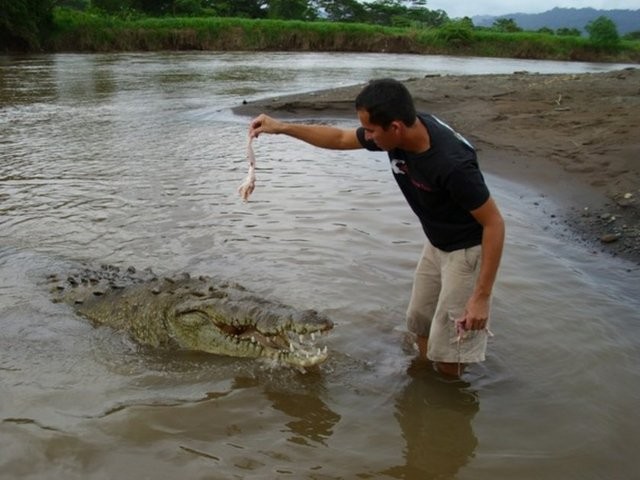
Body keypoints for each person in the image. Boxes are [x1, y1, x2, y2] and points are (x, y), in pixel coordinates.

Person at [249, 78, 504, 377]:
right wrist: (282, 127)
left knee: (451, 346)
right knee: (419, 322)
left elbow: (494, 224)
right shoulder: (401, 133)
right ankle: (422, 380)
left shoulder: (452, 165)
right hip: (437, 242)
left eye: (370, 130)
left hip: (467, 250)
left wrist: (481, 297)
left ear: (395, 127)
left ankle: (448, 392)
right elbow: (341, 139)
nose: (366, 136)